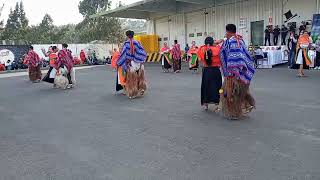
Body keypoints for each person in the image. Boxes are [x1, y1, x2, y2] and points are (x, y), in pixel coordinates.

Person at [220, 24, 256, 120]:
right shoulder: (240, 40)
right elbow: (245, 56)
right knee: (241, 92)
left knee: (231, 94)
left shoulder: (231, 42)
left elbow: (230, 57)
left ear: (227, 31)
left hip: (233, 74)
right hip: (242, 73)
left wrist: (233, 70)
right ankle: (247, 106)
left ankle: (234, 113)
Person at [117, 30, 147, 99]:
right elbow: (143, 52)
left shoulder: (126, 44)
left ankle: (133, 93)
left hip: (131, 64)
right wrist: (139, 59)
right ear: (133, 35)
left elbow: (124, 55)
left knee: (131, 80)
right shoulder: (137, 42)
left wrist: (118, 63)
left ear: (127, 36)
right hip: (139, 63)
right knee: (140, 77)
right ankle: (141, 88)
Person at [197, 37, 222, 111]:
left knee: (206, 86)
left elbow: (199, 59)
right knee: (217, 86)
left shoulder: (202, 49)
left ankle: (206, 104)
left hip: (206, 70)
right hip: (216, 70)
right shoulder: (218, 49)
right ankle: (217, 104)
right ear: (212, 42)